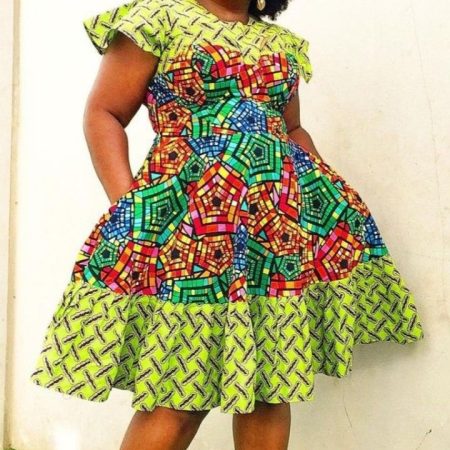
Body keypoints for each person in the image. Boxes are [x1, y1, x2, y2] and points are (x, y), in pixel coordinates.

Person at [29, 0, 425, 449]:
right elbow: (104, 113)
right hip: (193, 232)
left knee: (271, 387)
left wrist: (326, 194)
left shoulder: (280, 43)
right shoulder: (157, 19)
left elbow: (291, 130)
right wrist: (129, 207)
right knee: (178, 392)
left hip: (275, 237)